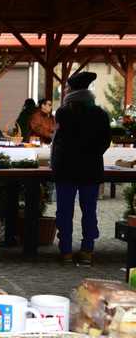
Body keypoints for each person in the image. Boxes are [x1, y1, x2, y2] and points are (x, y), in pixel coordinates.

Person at [51, 71, 110, 266]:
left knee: (65, 211)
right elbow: (105, 142)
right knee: (89, 211)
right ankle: (87, 251)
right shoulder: (100, 114)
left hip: (66, 170)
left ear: (71, 91)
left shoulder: (63, 113)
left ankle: (66, 251)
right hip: (90, 170)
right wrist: (92, 154)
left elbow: (58, 142)